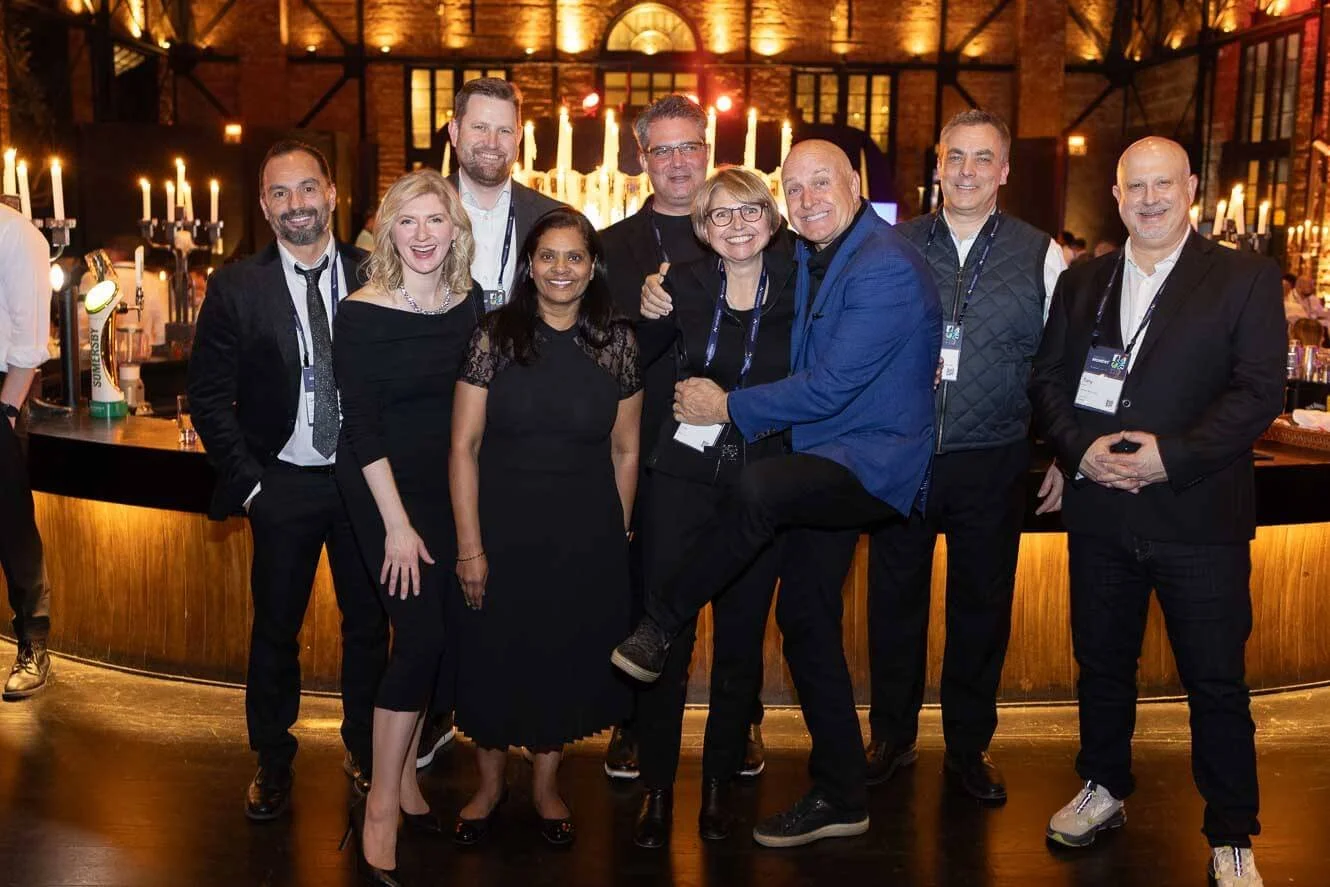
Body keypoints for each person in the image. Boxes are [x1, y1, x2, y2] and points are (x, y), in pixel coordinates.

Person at [620, 139, 941, 847]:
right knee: (803, 616)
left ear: (852, 183)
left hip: (858, 461)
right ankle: (840, 791)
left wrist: (727, 406)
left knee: (759, 507)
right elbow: (635, 358)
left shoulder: (876, 264)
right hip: (770, 465)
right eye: (795, 188)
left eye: (820, 183)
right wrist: (647, 305)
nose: (807, 199)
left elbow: (831, 385)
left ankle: (663, 623)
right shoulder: (791, 261)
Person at [1030, 136, 1284, 887]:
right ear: (1116, 196)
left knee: (1216, 679)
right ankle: (1103, 785)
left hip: (1197, 514)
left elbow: (1258, 392)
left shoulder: (1243, 277)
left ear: (1192, 188)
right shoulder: (1084, 281)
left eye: (1162, 184)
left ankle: (1231, 831)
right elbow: (1047, 380)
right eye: (1134, 187)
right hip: (1101, 512)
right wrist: (1080, 450)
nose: (1149, 199)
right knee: (1101, 664)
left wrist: (1170, 457)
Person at [865, 109, 1065, 802]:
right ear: (938, 165)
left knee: (981, 606)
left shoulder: (1041, 253)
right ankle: (891, 735)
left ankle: (968, 746)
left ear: (1004, 170)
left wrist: (1064, 453)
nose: (968, 170)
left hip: (993, 456)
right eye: (956, 156)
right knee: (894, 601)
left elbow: (1059, 364)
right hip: (904, 453)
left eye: (984, 158)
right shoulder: (894, 244)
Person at [188, 140, 388, 821]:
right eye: (280, 192)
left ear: (332, 193)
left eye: (307, 188)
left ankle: (365, 749)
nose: (296, 203)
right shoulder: (236, 287)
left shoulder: (377, 272)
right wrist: (251, 487)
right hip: (282, 484)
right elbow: (208, 396)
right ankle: (272, 758)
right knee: (275, 630)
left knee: (369, 624)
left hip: (364, 482)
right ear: (264, 204)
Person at [450, 208, 642, 847]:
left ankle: (545, 785)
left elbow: (626, 450)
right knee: (491, 656)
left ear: (593, 268)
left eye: (574, 257)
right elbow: (463, 447)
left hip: (583, 533)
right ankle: (489, 785)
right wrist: (469, 547)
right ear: (529, 266)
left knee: (561, 656)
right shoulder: (493, 336)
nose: (561, 269)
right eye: (548, 256)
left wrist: (616, 534)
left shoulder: (617, 341)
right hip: (500, 531)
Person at [601, 93, 767, 782]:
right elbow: (603, 357)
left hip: (741, 447)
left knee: (742, 598)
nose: (677, 162)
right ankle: (635, 725)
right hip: (648, 452)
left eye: (688, 146)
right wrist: (644, 317)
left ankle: (742, 723)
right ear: (642, 159)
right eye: (662, 149)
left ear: (708, 150)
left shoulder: (751, 234)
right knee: (647, 596)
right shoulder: (612, 246)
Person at [630, 168, 797, 848]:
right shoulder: (680, 285)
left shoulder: (801, 284)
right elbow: (633, 361)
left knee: (740, 642)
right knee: (663, 635)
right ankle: (656, 789)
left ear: (772, 219)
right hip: (683, 477)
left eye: (749, 210)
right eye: (719, 215)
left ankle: (719, 786)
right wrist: (645, 311)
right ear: (701, 228)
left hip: (764, 479)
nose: (736, 225)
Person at [332, 169, 482, 882]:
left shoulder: (468, 301)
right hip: (381, 490)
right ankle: (381, 804)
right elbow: (359, 428)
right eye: (408, 221)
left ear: (456, 230)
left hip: (445, 488)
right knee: (418, 638)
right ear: (388, 230)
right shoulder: (361, 312)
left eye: (436, 220)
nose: (423, 235)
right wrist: (395, 525)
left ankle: (410, 784)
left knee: (443, 636)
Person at [446, 77, 562, 315]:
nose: (492, 143)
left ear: (518, 137)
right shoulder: (417, 213)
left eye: (504, 131)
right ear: (454, 131)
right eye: (480, 128)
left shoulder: (553, 218)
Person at [0, 200, 53, 700]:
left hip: (3, 390)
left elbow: (30, 337)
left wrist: (7, 410)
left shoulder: (16, 234)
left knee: (11, 527)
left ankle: (33, 644)